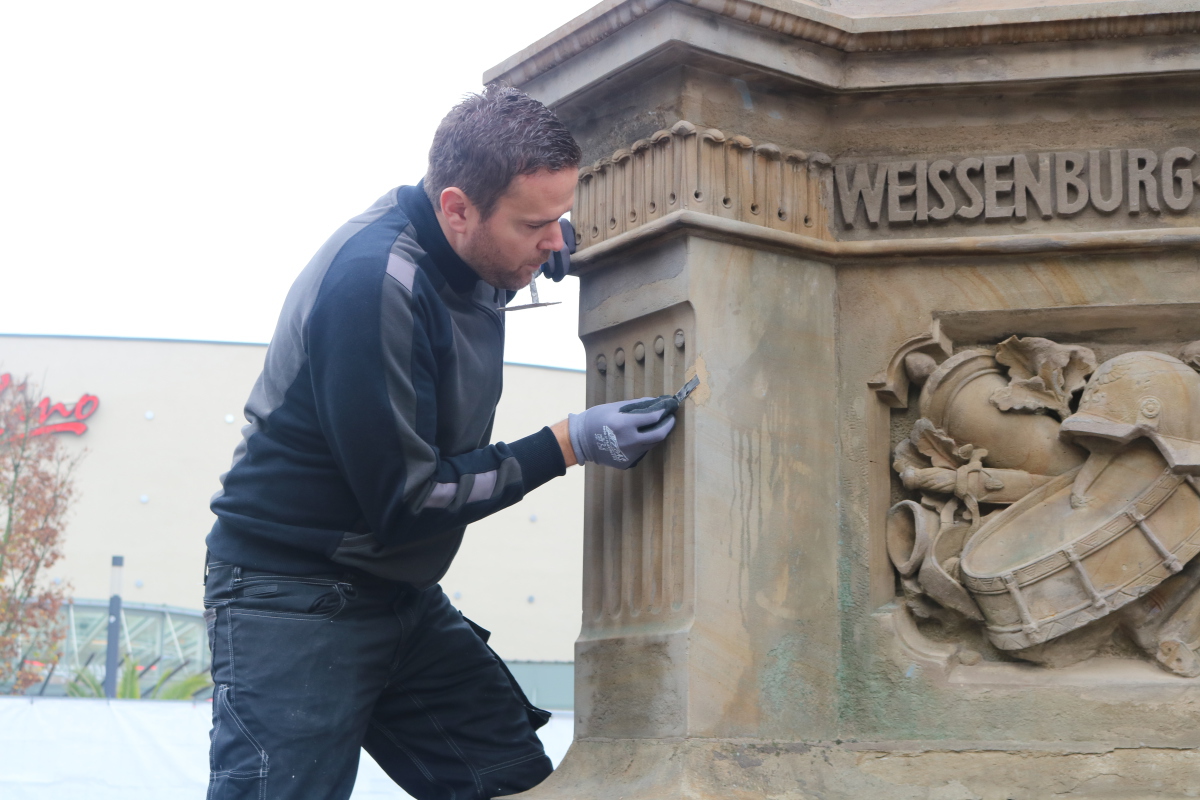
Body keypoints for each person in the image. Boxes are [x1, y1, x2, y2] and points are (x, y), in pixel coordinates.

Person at [201, 85, 678, 800]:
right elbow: (408, 500)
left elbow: (471, 273)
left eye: (561, 220)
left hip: (398, 595)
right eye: (534, 225)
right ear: (457, 208)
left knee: (509, 781)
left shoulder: (474, 252)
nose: (554, 242)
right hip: (291, 596)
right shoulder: (371, 288)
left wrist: (538, 244)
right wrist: (567, 443)